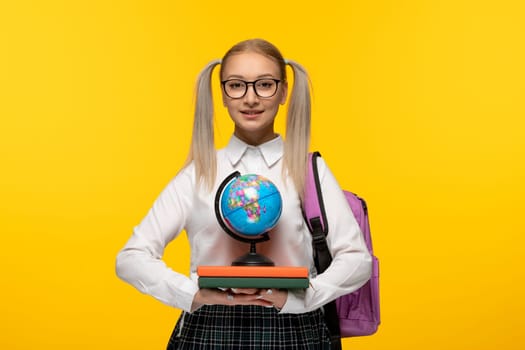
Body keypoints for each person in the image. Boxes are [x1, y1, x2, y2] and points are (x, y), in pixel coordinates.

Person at [116, 38, 372, 349]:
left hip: (294, 329)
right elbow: (131, 257)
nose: (250, 98)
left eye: (264, 84)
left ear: (283, 92)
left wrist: (304, 297)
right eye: (236, 85)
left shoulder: (309, 171)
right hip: (210, 329)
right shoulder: (199, 172)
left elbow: (357, 260)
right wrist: (192, 294)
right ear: (222, 95)